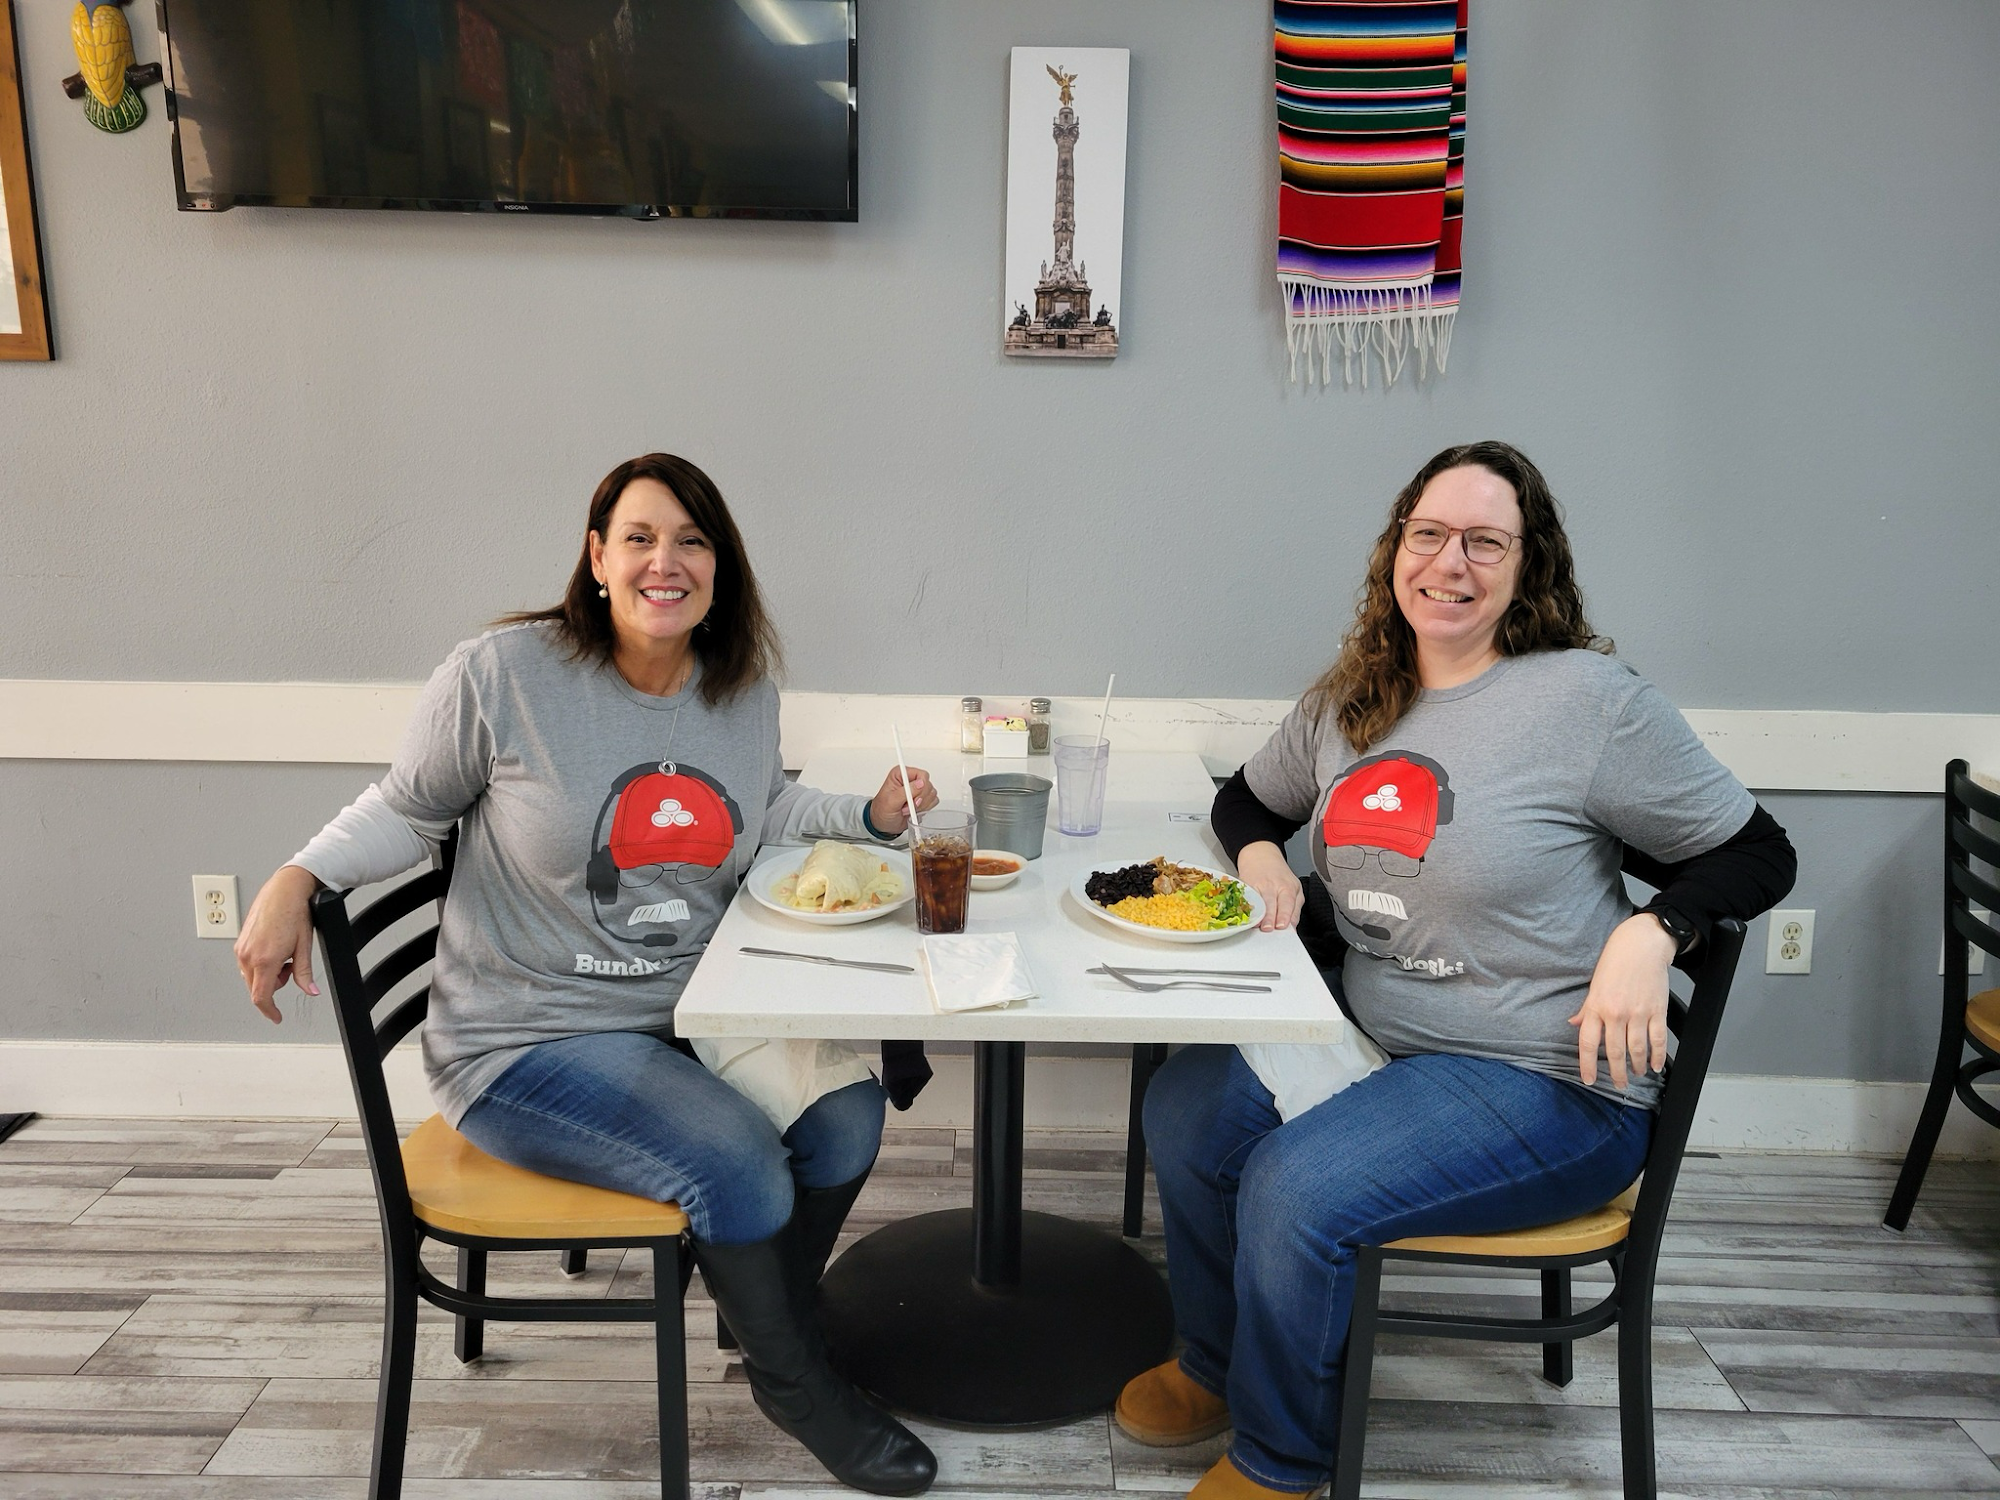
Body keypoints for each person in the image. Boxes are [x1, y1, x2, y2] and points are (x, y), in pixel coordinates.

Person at [235, 453, 941, 1497]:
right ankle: (795, 1383)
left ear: (720, 567)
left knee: (847, 1116)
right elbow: (406, 809)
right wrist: (296, 875)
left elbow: (761, 807)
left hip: (686, 1012)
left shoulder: (736, 689)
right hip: (524, 1040)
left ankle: (768, 1322)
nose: (667, 562)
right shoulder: (504, 675)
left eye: (692, 541)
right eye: (641, 538)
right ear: (597, 557)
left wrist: (868, 819)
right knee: (741, 1165)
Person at [1113, 442, 1796, 1500]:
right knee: (1186, 1109)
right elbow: (1244, 799)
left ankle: (1280, 1462)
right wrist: (1259, 858)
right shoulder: (1354, 696)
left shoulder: (1588, 704)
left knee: (1296, 1186)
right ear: (1396, 549)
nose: (1450, 562)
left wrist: (1654, 931)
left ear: (1530, 565)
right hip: (1379, 1038)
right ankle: (1215, 1363)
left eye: (1485, 541)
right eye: (1428, 534)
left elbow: (1759, 852)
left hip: (1545, 1075)